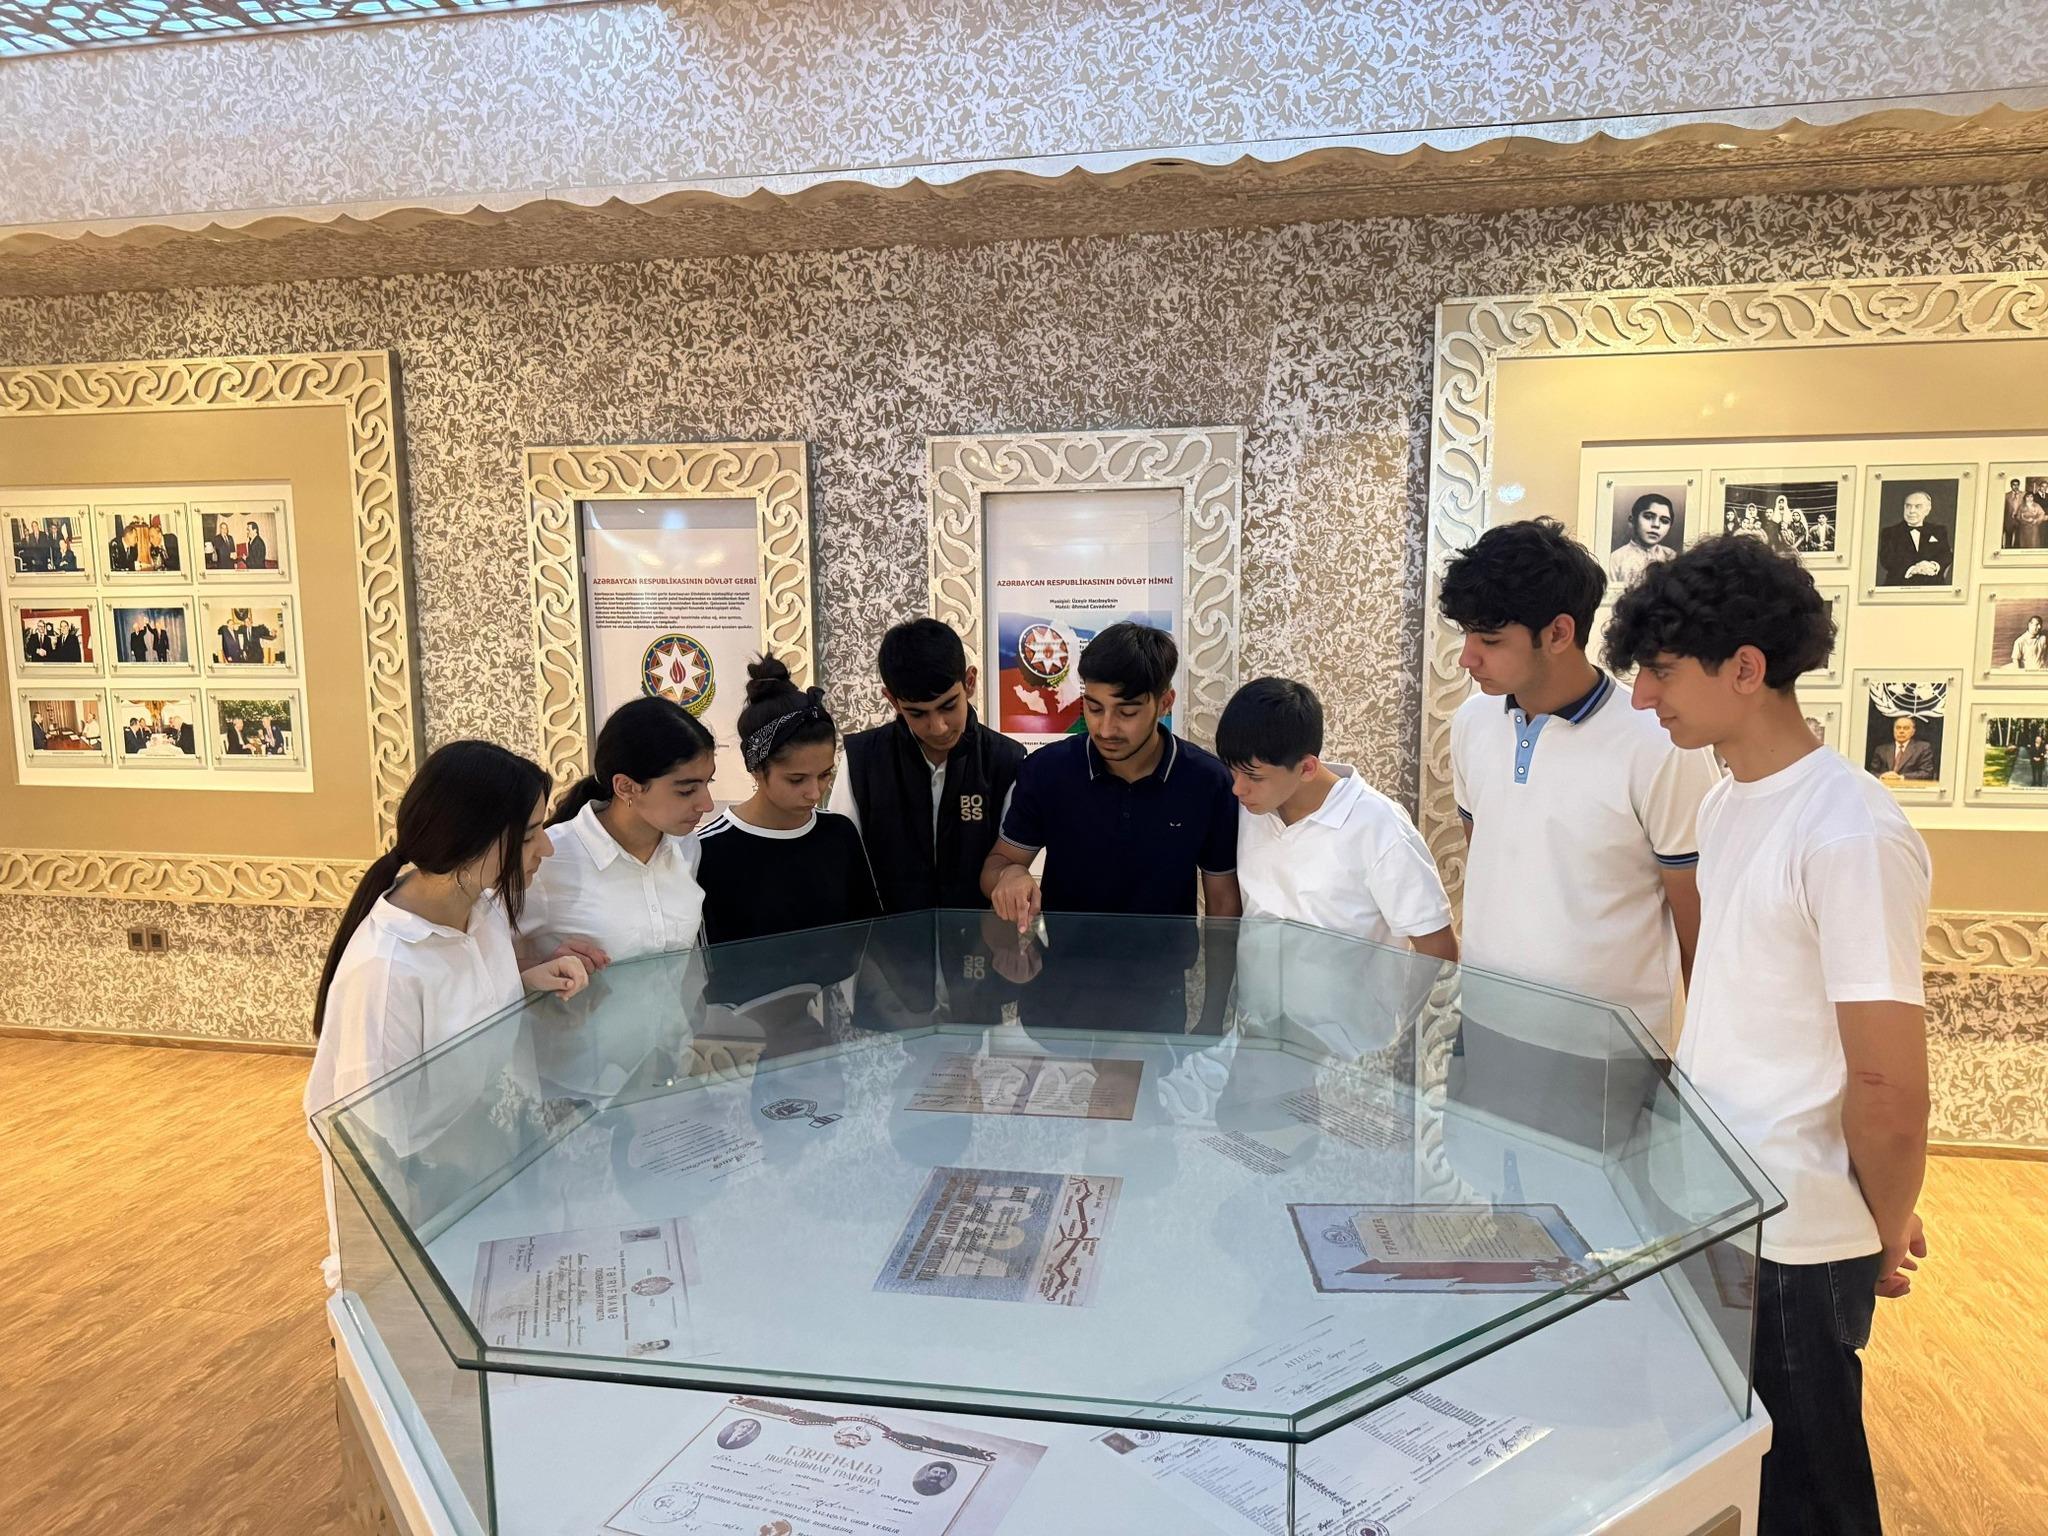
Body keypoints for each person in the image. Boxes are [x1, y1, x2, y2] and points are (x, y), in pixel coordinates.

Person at [1602, 533, 1931, 1536]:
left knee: (1808, 1495)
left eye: (1661, 671)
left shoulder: (1849, 829)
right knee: (1727, 1475)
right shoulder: (1726, 803)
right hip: (1713, 1193)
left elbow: (1887, 1085)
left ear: (1745, 669)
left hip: (1793, 1227)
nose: (1642, 698)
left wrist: (1881, 1222)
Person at [304, 740, 590, 1286]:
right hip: (434, 1214)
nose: (547, 848)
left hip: (496, 1179)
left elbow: (459, 1007)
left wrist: (525, 982)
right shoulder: (386, 969)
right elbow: (374, 1140)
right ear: (473, 841)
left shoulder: (482, 910)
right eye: (530, 834)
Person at [1441, 517, 1719, 1053]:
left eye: (1490, 639)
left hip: (1608, 1051)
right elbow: (1492, 864)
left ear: (1559, 633)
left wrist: (1698, 1062)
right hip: (1483, 1024)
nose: (1467, 657)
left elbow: (1700, 926)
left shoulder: (1659, 743)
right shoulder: (1472, 722)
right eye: (1467, 635)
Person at [980, 621, 1240, 927]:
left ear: (1165, 704)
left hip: (1166, 957)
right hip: (1066, 956)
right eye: (1094, 708)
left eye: (1127, 712)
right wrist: (1011, 874)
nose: (1105, 729)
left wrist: (1222, 962)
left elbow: (1223, 900)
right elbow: (996, 867)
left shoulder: (1208, 781)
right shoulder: (1047, 770)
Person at [1217, 676, 1456, 959]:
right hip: (1255, 989)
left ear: (1307, 768)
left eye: (1254, 777)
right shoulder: (1248, 810)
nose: (1237, 788)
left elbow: (1438, 949)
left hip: (1357, 991)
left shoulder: (1380, 826)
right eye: (1232, 770)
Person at [830, 618, 1024, 913]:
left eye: (948, 705)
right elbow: (843, 862)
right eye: (917, 714)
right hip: (884, 937)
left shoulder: (1006, 760)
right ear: (892, 701)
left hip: (979, 937)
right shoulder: (862, 760)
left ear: (970, 682)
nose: (938, 727)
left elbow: (1009, 862)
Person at [695, 656, 879, 943]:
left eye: (824, 775)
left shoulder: (840, 833)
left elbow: (868, 934)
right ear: (757, 769)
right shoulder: (708, 849)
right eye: (796, 779)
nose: (815, 793)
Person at [525, 696, 718, 965]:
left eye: (708, 782)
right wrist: (538, 966)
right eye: (686, 790)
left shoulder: (686, 846)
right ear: (626, 787)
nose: (707, 804)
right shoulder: (547, 859)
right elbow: (490, 964)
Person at [1875, 490, 1952, 586]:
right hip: (1899, 585)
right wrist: (1913, 569)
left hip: (1933, 585)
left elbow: (1946, 554)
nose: (1911, 511)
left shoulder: (1938, 530)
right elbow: (1887, 559)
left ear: (1927, 510)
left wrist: (1933, 565)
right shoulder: (1890, 532)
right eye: (1908, 506)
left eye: (1917, 506)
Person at [1607, 493, 1678, 585]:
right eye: (1648, 517)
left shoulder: (1671, 556)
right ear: (1632, 521)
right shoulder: (1616, 558)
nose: (1656, 525)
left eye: (1664, 521)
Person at [1868, 715, 1936, 783]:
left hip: (1909, 787)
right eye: (1898, 728)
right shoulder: (1881, 750)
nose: (1901, 731)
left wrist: (1901, 777)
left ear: (1913, 732)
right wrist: (1882, 776)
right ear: (1893, 730)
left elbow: (1927, 773)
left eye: (1906, 728)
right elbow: (1872, 773)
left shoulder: (1922, 748)